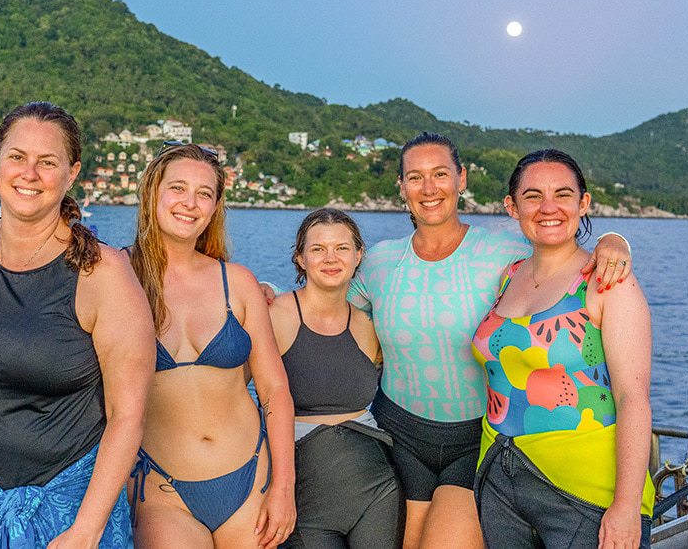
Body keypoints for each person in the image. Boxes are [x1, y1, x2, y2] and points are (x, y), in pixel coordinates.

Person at [347, 132, 633, 549]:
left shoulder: (503, 250)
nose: (429, 188)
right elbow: (327, 305)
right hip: (398, 434)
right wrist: (265, 289)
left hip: (478, 439)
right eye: (415, 177)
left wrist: (615, 240)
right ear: (402, 187)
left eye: (441, 174)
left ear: (461, 179)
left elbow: (560, 239)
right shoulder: (379, 260)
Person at [0, 101, 154, 548]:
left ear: (72, 173)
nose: (28, 173)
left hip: (70, 512)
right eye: (17, 156)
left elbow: (127, 416)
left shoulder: (103, 273)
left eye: (47, 162)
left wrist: (85, 532)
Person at [472, 149, 654, 548]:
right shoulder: (509, 275)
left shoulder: (608, 283)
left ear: (583, 203)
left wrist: (625, 508)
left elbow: (632, 398)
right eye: (533, 196)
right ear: (512, 207)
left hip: (585, 491)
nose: (548, 207)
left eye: (563, 194)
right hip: (501, 482)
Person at [127, 142, 296, 548]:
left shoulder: (237, 282)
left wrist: (284, 488)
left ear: (216, 206)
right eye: (178, 188)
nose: (190, 203)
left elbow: (274, 389)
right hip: (163, 493)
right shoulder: (120, 277)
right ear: (153, 193)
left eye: (204, 193)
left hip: (251, 480)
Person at [268, 208, 404, 548]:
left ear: (358, 255)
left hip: (376, 489)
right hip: (303, 492)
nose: (331, 258)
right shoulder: (276, 316)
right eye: (318, 249)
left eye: (342, 248)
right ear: (300, 258)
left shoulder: (368, 326)